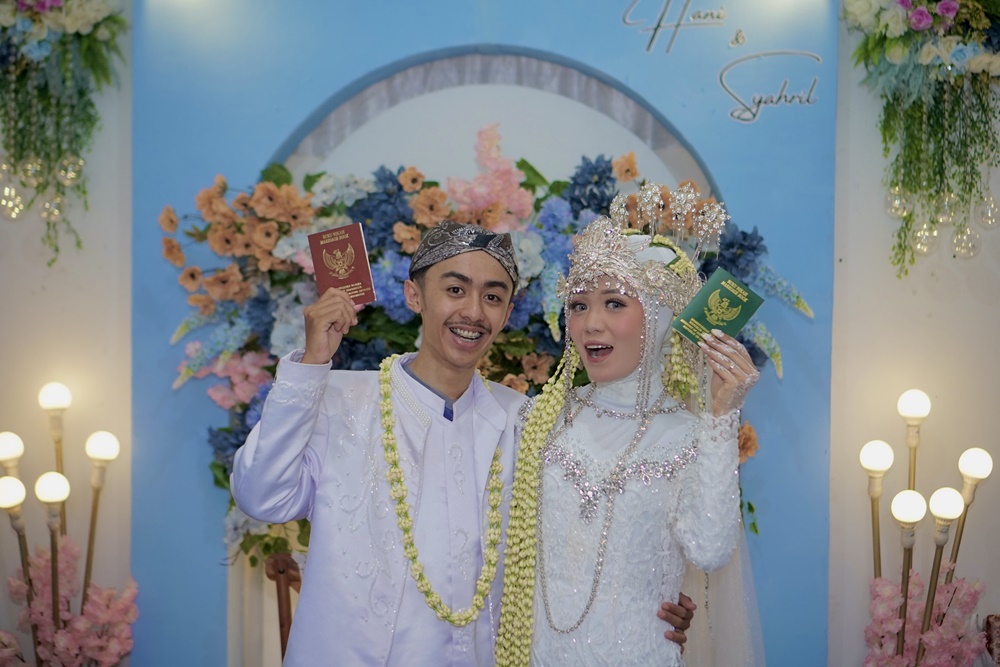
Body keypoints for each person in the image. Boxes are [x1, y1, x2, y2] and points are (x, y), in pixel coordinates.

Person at [230, 219, 693, 666]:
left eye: (492, 296)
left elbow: (576, 532)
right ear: (414, 295)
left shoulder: (523, 420)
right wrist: (310, 365)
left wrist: (639, 599)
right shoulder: (338, 400)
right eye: (455, 289)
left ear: (507, 314)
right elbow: (262, 496)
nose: (473, 311)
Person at [495, 185, 766, 667]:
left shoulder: (691, 435)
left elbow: (708, 549)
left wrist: (723, 417)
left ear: (660, 317)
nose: (590, 324)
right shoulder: (538, 419)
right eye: (579, 305)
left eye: (614, 303)